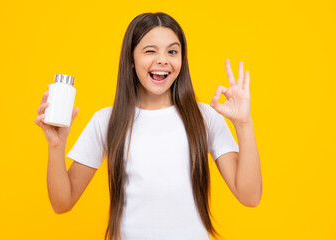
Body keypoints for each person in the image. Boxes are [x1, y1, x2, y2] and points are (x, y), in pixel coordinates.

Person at [35, 12, 262, 240]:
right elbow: (62, 203)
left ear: (182, 61)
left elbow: (250, 196)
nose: (163, 59)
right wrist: (56, 145)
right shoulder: (108, 120)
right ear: (131, 60)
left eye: (172, 51)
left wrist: (244, 123)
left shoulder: (205, 117)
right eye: (150, 51)